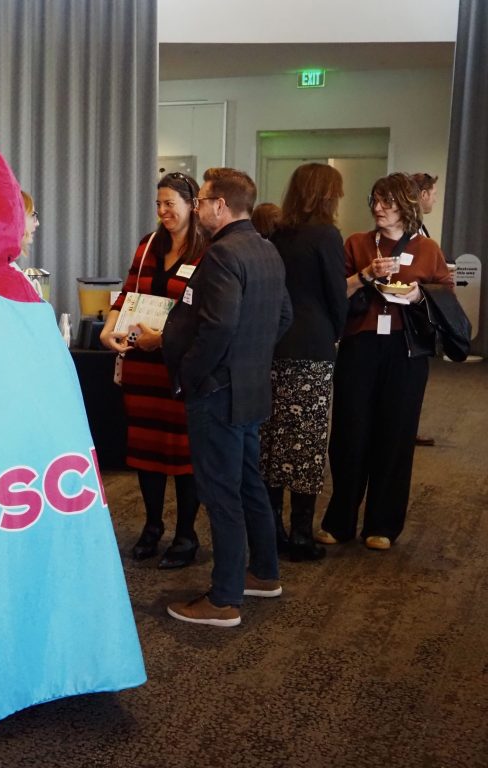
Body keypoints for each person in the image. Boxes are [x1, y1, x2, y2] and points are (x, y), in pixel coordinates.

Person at [162, 167, 292, 627]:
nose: (197, 209)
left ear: (220, 206)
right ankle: (264, 573)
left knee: (221, 494)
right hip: (251, 387)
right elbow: (283, 317)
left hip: (217, 392)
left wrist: (190, 375)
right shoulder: (267, 250)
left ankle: (223, 599)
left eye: (201, 201)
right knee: (248, 483)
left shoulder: (221, 255)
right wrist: (250, 357)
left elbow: (216, 327)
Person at [317, 173, 453, 551]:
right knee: (349, 432)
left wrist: (417, 295)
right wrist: (364, 276)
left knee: (395, 433)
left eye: (387, 202)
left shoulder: (427, 248)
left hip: (406, 351)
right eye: (374, 200)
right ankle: (340, 520)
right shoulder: (358, 243)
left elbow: (445, 294)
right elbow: (334, 291)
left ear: (405, 206)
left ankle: (383, 524)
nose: (378, 208)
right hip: (360, 347)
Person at [100, 171, 206, 569]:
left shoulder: (206, 250)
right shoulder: (147, 247)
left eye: (170, 205)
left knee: (182, 454)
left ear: (193, 205)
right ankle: (151, 526)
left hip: (179, 365)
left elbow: (203, 315)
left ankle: (186, 534)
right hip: (141, 364)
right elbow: (127, 293)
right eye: (158, 204)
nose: (163, 212)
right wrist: (109, 330)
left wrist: (161, 339)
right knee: (145, 452)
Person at [260, 163, 348, 561]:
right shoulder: (327, 234)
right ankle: (300, 534)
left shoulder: (277, 234)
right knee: (307, 442)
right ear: (327, 194)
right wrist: (338, 331)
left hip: (274, 344)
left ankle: (272, 529)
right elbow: (335, 294)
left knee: (274, 439)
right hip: (312, 344)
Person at [410, 171, 440, 447]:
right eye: (432, 194)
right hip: (410, 317)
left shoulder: (421, 229)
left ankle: (409, 426)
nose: (434, 200)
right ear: (422, 195)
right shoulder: (413, 231)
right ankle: (406, 428)